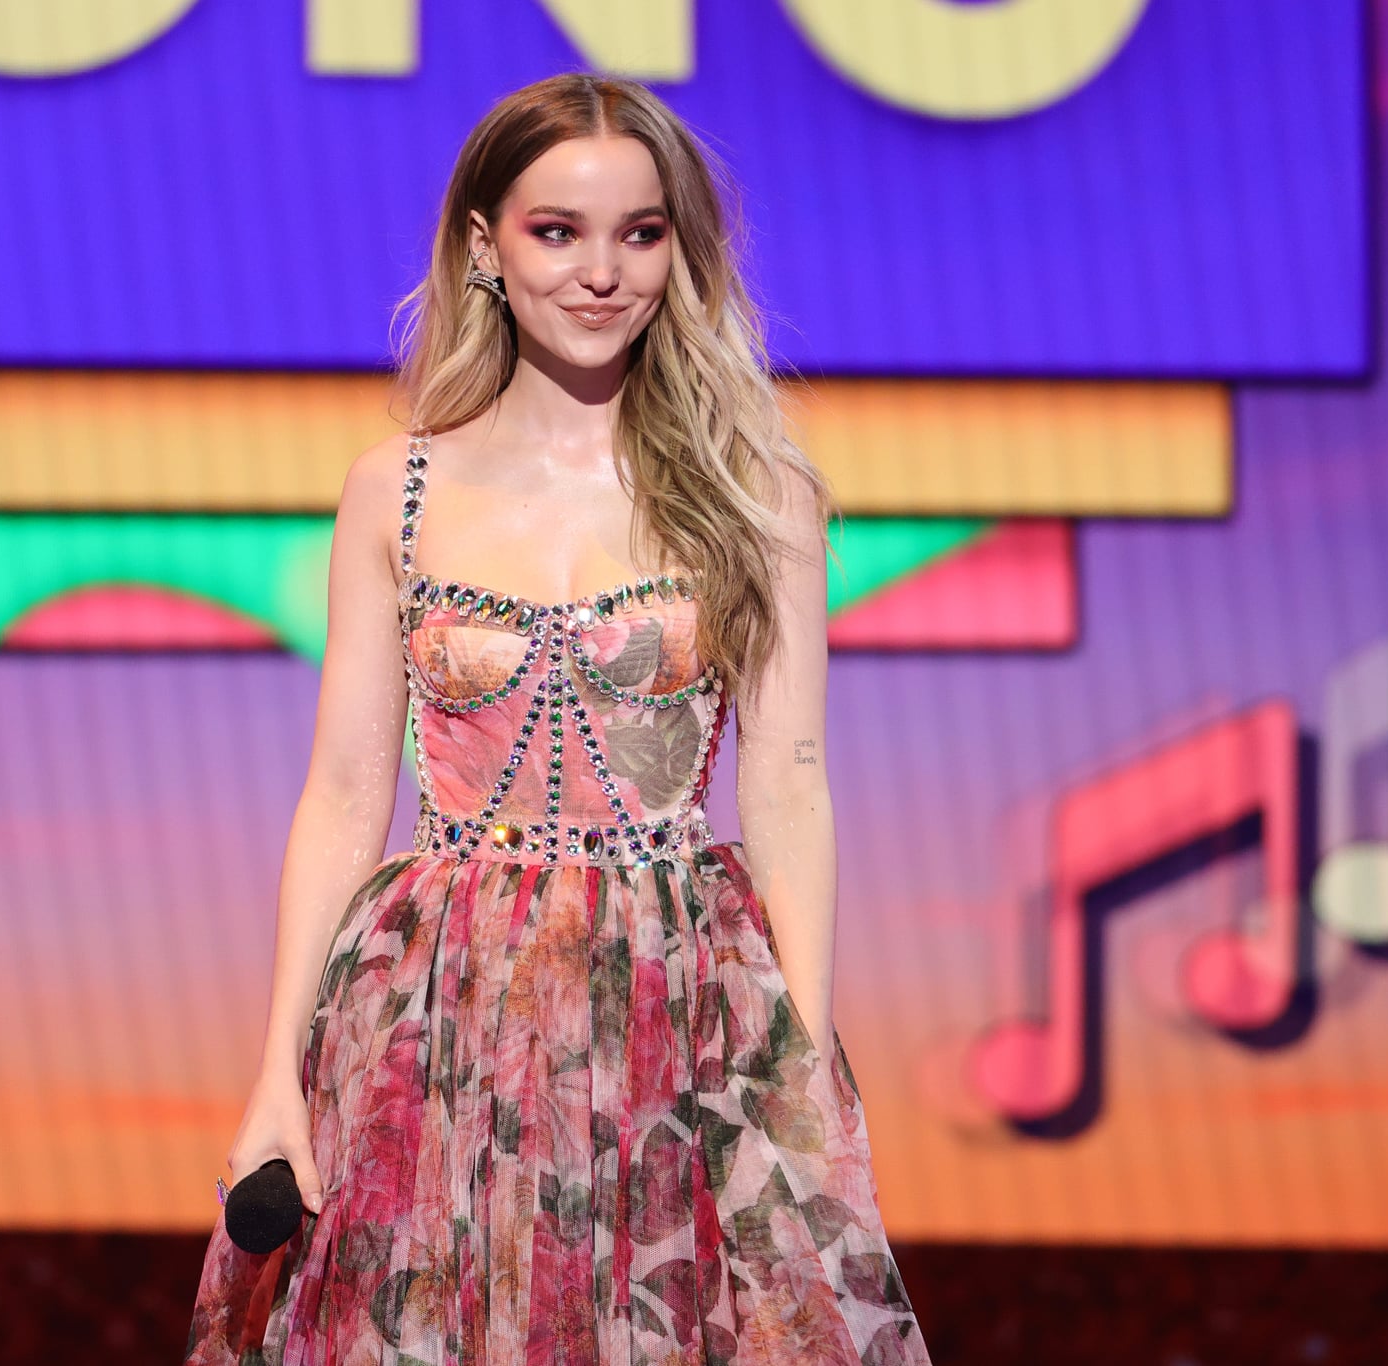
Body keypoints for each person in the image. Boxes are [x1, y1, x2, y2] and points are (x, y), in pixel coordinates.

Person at [185, 71, 930, 1365]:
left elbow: (791, 777)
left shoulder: (758, 493)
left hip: (677, 1004)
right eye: (557, 232)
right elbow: (347, 793)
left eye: (640, 234)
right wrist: (272, 1072)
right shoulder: (395, 492)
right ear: (486, 247)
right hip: (433, 1017)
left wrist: (802, 1056)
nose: (602, 273)